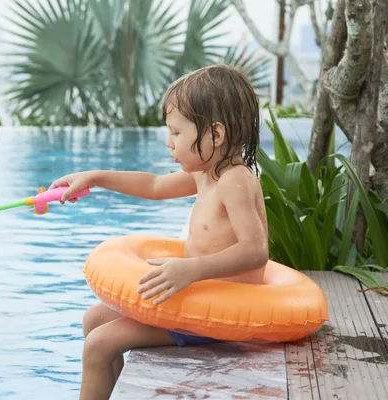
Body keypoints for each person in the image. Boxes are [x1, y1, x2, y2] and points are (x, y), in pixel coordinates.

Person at [48, 64, 270, 400]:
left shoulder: (234, 181)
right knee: (93, 320)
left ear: (216, 134)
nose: (169, 143)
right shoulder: (207, 173)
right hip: (197, 304)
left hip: (217, 313)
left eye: (177, 133)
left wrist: (192, 269)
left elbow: (256, 251)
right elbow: (153, 185)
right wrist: (94, 177)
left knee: (98, 344)